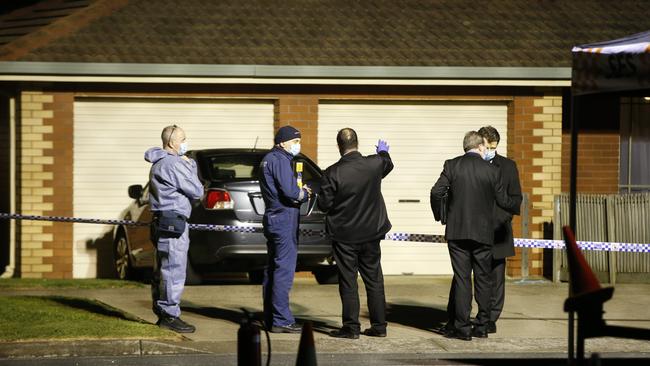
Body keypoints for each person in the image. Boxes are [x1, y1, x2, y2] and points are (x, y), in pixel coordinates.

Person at [431, 131, 517, 341]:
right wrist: (514, 206)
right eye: (485, 147)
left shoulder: (451, 165)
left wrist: (441, 215)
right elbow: (504, 201)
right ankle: (482, 325)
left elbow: (436, 192)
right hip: (483, 233)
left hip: (457, 232)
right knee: (483, 279)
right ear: (480, 147)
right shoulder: (491, 170)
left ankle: (462, 327)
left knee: (462, 280)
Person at [317, 128, 393, 339]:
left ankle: (351, 328)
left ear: (339, 146)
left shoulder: (332, 173)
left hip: (345, 237)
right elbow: (387, 163)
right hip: (371, 234)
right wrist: (383, 152)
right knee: (374, 281)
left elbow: (324, 204)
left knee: (348, 282)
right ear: (357, 143)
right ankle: (379, 327)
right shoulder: (373, 164)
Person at [145, 124, 204, 333]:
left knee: (163, 269)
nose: (186, 143)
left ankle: (163, 312)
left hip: (163, 220)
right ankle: (169, 315)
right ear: (171, 142)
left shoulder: (160, 161)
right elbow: (197, 190)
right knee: (173, 270)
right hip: (173, 222)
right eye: (183, 139)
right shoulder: (173, 163)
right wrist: (191, 165)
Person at [260, 125, 312, 333]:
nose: (297, 145)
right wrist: (304, 193)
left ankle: (270, 317)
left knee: (272, 270)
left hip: (273, 218)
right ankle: (281, 320)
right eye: (295, 141)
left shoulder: (267, 159)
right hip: (283, 219)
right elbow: (291, 193)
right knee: (283, 271)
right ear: (282, 142)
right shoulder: (280, 160)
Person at [478, 125, 522, 334]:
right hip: (475, 231)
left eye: (494, 147)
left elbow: (515, 200)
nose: (491, 151)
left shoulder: (508, 167)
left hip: (499, 230)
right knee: (475, 277)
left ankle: (491, 317)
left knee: (496, 278)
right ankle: (476, 314)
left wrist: (499, 220)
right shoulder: (470, 164)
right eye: (488, 147)